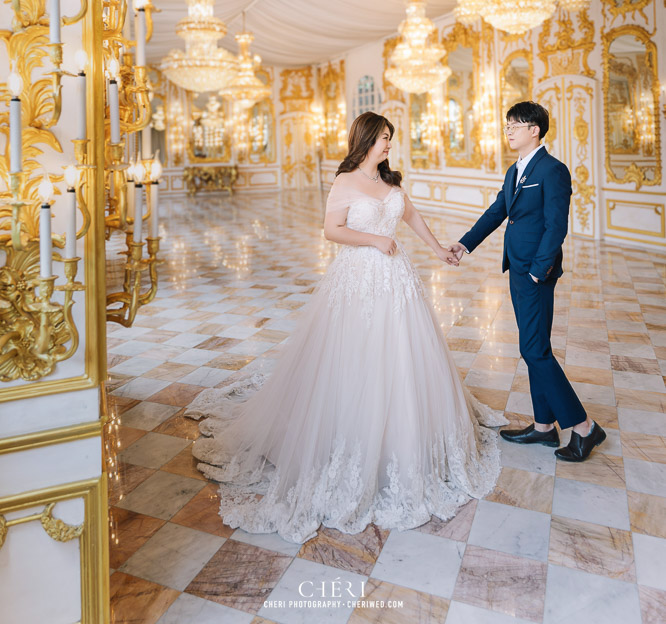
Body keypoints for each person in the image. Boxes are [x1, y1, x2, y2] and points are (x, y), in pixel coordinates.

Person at [185, 111, 505, 543]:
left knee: (404, 358)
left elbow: (411, 218)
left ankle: (407, 438)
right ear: (366, 140)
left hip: (397, 280)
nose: (389, 145)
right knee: (357, 358)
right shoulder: (345, 181)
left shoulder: (391, 182)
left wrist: (439, 250)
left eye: (391, 138)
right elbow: (330, 230)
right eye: (384, 138)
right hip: (358, 278)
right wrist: (374, 240)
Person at [447, 100, 605, 463]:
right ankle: (544, 426)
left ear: (535, 129)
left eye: (514, 125)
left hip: (536, 271)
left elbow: (556, 226)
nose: (508, 130)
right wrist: (465, 243)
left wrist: (539, 270)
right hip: (517, 268)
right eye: (507, 125)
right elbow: (497, 211)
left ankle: (583, 427)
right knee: (533, 346)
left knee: (534, 350)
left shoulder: (553, 170)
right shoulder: (513, 170)